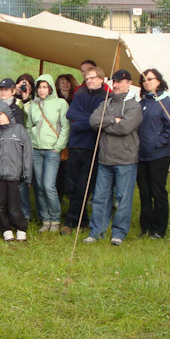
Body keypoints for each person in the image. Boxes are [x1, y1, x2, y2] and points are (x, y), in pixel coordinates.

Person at [83, 69, 142, 246]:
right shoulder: (106, 102)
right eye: (114, 81)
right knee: (100, 197)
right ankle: (96, 231)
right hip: (105, 158)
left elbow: (125, 127)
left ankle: (119, 232)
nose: (115, 85)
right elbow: (93, 121)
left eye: (119, 82)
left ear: (129, 83)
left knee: (123, 198)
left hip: (126, 159)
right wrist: (113, 120)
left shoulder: (134, 105)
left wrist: (105, 123)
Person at [61, 66, 108, 235]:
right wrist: (89, 121)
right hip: (75, 144)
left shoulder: (105, 98)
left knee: (84, 185)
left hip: (92, 146)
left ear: (101, 79)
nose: (89, 81)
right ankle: (83, 221)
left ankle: (70, 220)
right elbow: (71, 114)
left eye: (92, 78)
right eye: (87, 79)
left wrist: (84, 122)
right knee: (72, 185)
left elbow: (100, 121)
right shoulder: (80, 94)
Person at [24, 74, 70, 232]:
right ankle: (45, 218)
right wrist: (31, 143)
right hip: (36, 149)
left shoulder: (60, 103)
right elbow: (29, 126)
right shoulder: (33, 105)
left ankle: (55, 218)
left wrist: (58, 146)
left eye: (45, 87)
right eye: (39, 87)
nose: (42, 90)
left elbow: (65, 126)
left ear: (50, 88)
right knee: (39, 186)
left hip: (52, 150)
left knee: (48, 185)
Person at [137, 69, 170, 239]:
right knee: (144, 192)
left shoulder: (167, 103)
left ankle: (160, 228)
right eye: (144, 80)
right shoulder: (141, 103)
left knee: (158, 191)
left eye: (150, 79)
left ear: (159, 81)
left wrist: (157, 143)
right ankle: (146, 227)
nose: (147, 82)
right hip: (140, 155)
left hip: (158, 155)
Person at [0, 100, 32, 242]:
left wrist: (27, 174)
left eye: (0, 114)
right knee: (0, 204)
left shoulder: (19, 130)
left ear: (8, 114)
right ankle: (5, 228)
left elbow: (27, 153)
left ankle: (20, 228)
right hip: (0, 175)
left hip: (15, 175)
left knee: (14, 204)